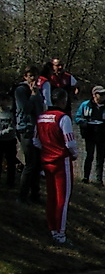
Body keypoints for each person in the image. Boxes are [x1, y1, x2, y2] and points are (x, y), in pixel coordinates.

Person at [34, 87, 77, 244]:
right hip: (61, 161)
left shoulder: (41, 117)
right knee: (62, 199)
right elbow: (70, 142)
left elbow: (35, 140)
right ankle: (60, 234)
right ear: (63, 101)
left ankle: (52, 228)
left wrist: (47, 149)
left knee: (51, 197)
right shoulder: (63, 118)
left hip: (46, 160)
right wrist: (74, 154)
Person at [74, 86, 105, 184]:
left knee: (100, 158)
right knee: (89, 156)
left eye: (104, 94)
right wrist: (84, 123)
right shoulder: (85, 105)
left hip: (103, 135)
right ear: (94, 95)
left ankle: (99, 180)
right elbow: (77, 118)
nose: (103, 96)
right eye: (100, 94)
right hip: (89, 134)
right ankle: (86, 178)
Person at [14, 66, 43, 204]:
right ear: (25, 77)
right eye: (30, 75)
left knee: (38, 163)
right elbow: (25, 109)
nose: (33, 78)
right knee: (30, 163)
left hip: (37, 129)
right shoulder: (20, 90)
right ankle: (22, 196)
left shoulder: (38, 90)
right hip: (25, 129)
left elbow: (40, 109)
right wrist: (33, 95)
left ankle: (35, 195)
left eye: (35, 75)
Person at [0, 81, 17, 188]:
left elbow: (12, 127)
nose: (2, 103)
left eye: (4, 100)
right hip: (0, 141)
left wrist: (4, 132)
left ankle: (10, 182)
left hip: (10, 140)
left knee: (11, 162)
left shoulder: (11, 113)